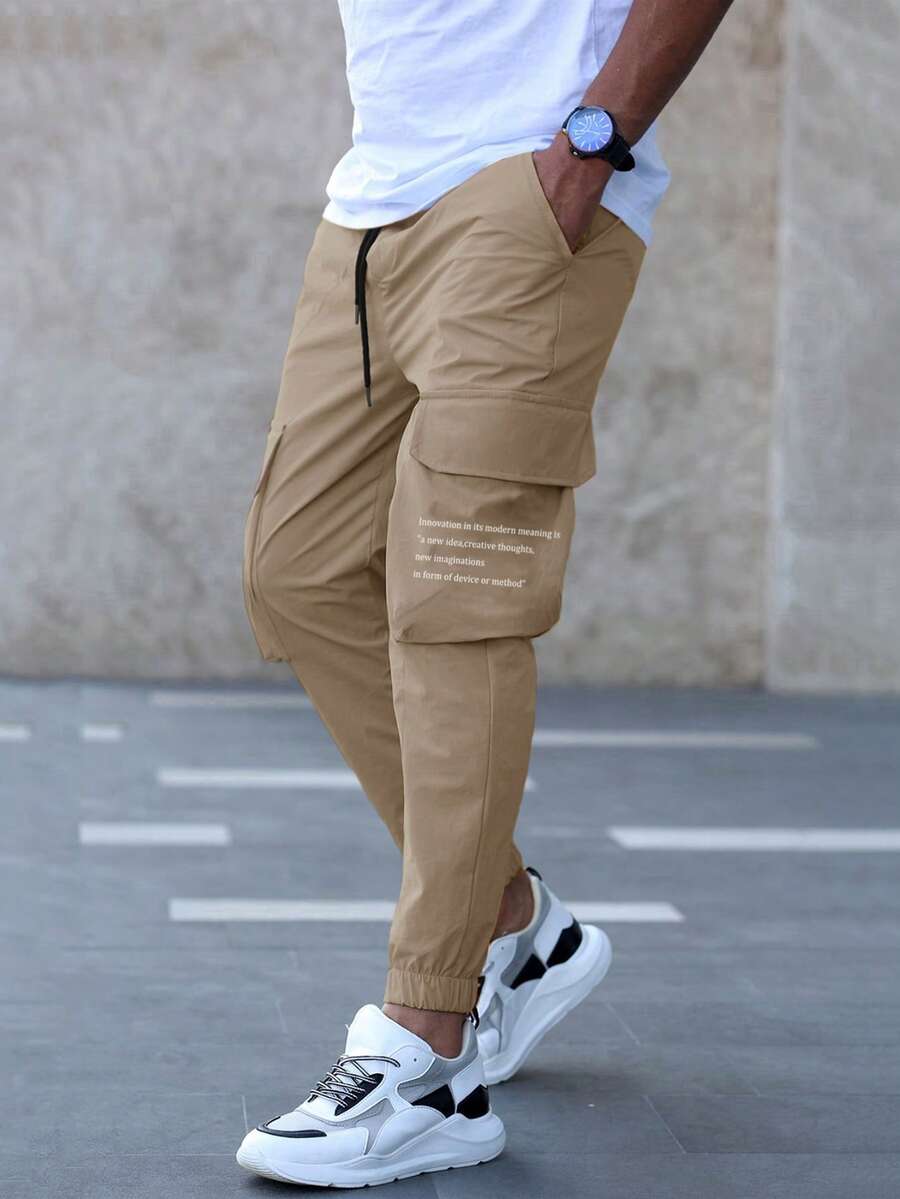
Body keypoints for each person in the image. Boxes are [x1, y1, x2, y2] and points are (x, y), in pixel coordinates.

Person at [237, 0, 735, 1186]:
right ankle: (510, 920)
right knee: (299, 572)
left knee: (456, 607)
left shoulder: (561, 167)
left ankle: (431, 1056)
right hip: (371, 207)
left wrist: (592, 143)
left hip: (534, 185)